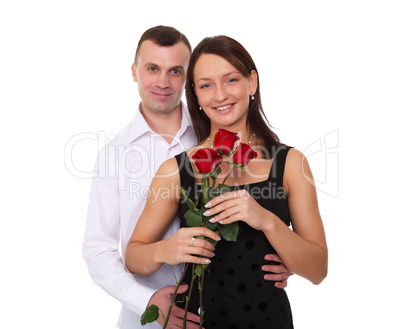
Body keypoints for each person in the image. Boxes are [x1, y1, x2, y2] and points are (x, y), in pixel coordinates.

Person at [83, 27, 292, 329]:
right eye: (152, 69)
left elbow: (266, 206)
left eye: (176, 71)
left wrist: (285, 257)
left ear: (189, 80)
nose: (163, 82)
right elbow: (99, 250)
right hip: (145, 316)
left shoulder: (221, 135)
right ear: (134, 71)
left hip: (229, 309)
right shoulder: (113, 155)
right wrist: (147, 300)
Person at [125, 35, 328, 328]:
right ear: (194, 94)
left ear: (252, 82)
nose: (220, 95)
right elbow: (133, 255)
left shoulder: (290, 164)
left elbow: (318, 270)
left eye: (231, 80)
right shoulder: (176, 169)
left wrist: (266, 220)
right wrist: (164, 249)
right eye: (206, 85)